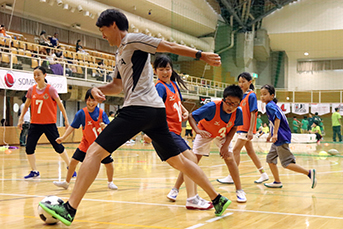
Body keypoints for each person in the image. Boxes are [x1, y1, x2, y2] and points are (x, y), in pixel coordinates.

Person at [39, 9, 231, 226]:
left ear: (113, 25)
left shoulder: (132, 39)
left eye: (103, 31)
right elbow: (117, 86)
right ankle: (217, 198)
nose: (103, 35)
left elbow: (168, 46)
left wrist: (201, 55)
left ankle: (70, 208)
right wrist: (97, 88)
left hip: (139, 108)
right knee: (178, 161)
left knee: (94, 152)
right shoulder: (120, 53)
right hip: (153, 112)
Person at [152, 54, 212, 210]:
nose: (165, 72)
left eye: (167, 68)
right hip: (166, 131)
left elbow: (177, 102)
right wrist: (150, 130)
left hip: (175, 132)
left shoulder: (173, 85)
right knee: (191, 159)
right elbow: (155, 109)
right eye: (161, 69)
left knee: (189, 162)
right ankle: (192, 198)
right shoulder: (159, 87)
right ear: (155, 71)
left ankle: (188, 195)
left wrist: (184, 111)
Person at [186, 84, 247, 203]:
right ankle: (175, 189)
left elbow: (234, 127)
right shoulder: (211, 107)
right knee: (192, 162)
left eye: (235, 104)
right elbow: (191, 116)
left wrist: (225, 145)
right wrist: (197, 130)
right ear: (223, 99)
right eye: (229, 102)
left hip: (223, 134)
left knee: (229, 158)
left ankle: (239, 190)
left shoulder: (238, 112)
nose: (231, 107)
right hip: (206, 132)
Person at [53, 89, 118, 190]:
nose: (91, 103)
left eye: (93, 100)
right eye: (88, 100)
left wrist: (104, 126)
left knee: (109, 164)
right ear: (85, 100)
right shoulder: (81, 113)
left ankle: (110, 182)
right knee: (73, 162)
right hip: (86, 144)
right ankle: (66, 182)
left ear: (97, 101)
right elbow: (72, 126)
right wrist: (63, 137)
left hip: (100, 145)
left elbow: (109, 128)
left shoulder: (101, 113)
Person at [18, 66, 74, 179]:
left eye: (39, 74)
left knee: (58, 146)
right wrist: (21, 118)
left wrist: (66, 120)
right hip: (35, 124)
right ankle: (34, 171)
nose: (36, 77)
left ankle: (70, 168)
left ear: (44, 75)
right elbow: (27, 105)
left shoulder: (51, 90)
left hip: (49, 124)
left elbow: (60, 105)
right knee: (29, 147)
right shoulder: (31, 90)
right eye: (35, 75)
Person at [260, 84, 317, 189]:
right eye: (261, 94)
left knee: (286, 163)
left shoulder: (269, 106)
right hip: (280, 135)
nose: (262, 96)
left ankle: (309, 173)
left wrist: (275, 134)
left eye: (265, 94)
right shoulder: (272, 105)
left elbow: (277, 119)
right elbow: (272, 122)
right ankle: (277, 181)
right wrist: (270, 134)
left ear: (272, 95)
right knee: (270, 159)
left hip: (280, 136)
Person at [217, 72, 269, 184]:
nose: (241, 84)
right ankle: (263, 174)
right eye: (239, 81)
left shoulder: (251, 95)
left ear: (250, 82)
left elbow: (254, 113)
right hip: (241, 127)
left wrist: (251, 130)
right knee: (250, 152)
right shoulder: (240, 96)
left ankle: (232, 176)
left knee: (235, 150)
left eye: (243, 81)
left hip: (247, 129)